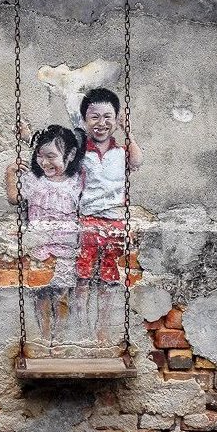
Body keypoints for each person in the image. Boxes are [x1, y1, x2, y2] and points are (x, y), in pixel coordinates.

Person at [68, 87, 143, 342]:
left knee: (108, 277)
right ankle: (81, 327)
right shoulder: (80, 153)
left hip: (115, 221)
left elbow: (137, 162)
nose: (101, 123)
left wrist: (127, 131)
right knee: (83, 275)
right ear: (85, 120)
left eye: (107, 117)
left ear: (116, 119)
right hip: (87, 220)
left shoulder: (121, 152)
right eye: (95, 117)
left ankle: (102, 329)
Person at [5, 124, 84, 347]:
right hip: (39, 247)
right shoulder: (34, 180)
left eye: (51, 156)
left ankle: (59, 338)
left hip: (66, 248)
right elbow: (14, 198)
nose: (44, 162)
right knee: (41, 293)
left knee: (62, 293)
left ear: (70, 155)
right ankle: (44, 336)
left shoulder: (76, 181)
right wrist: (10, 173)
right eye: (40, 156)